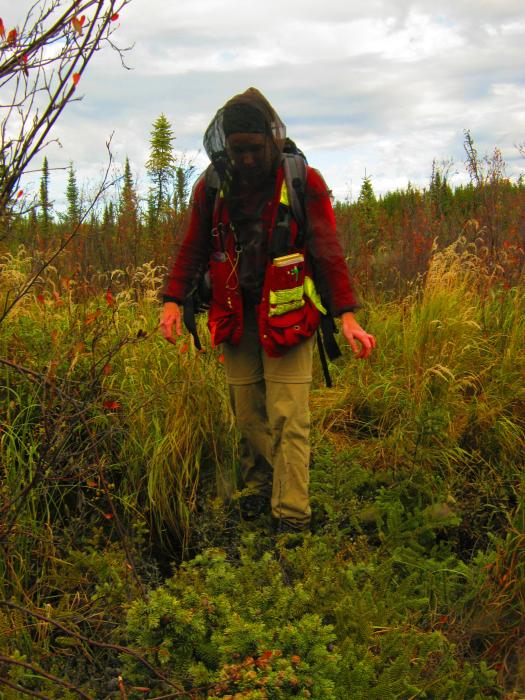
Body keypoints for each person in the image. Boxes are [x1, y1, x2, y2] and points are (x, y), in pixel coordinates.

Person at [160, 87, 375, 533]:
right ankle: (258, 495)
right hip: (236, 320)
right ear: (225, 144)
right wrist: (171, 301)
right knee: (248, 417)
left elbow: (327, 253)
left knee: (288, 418)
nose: (246, 159)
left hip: (290, 320)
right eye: (237, 149)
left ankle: (292, 519)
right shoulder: (213, 185)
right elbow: (193, 246)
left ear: (270, 140)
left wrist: (347, 317)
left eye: (253, 149)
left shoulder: (302, 181)